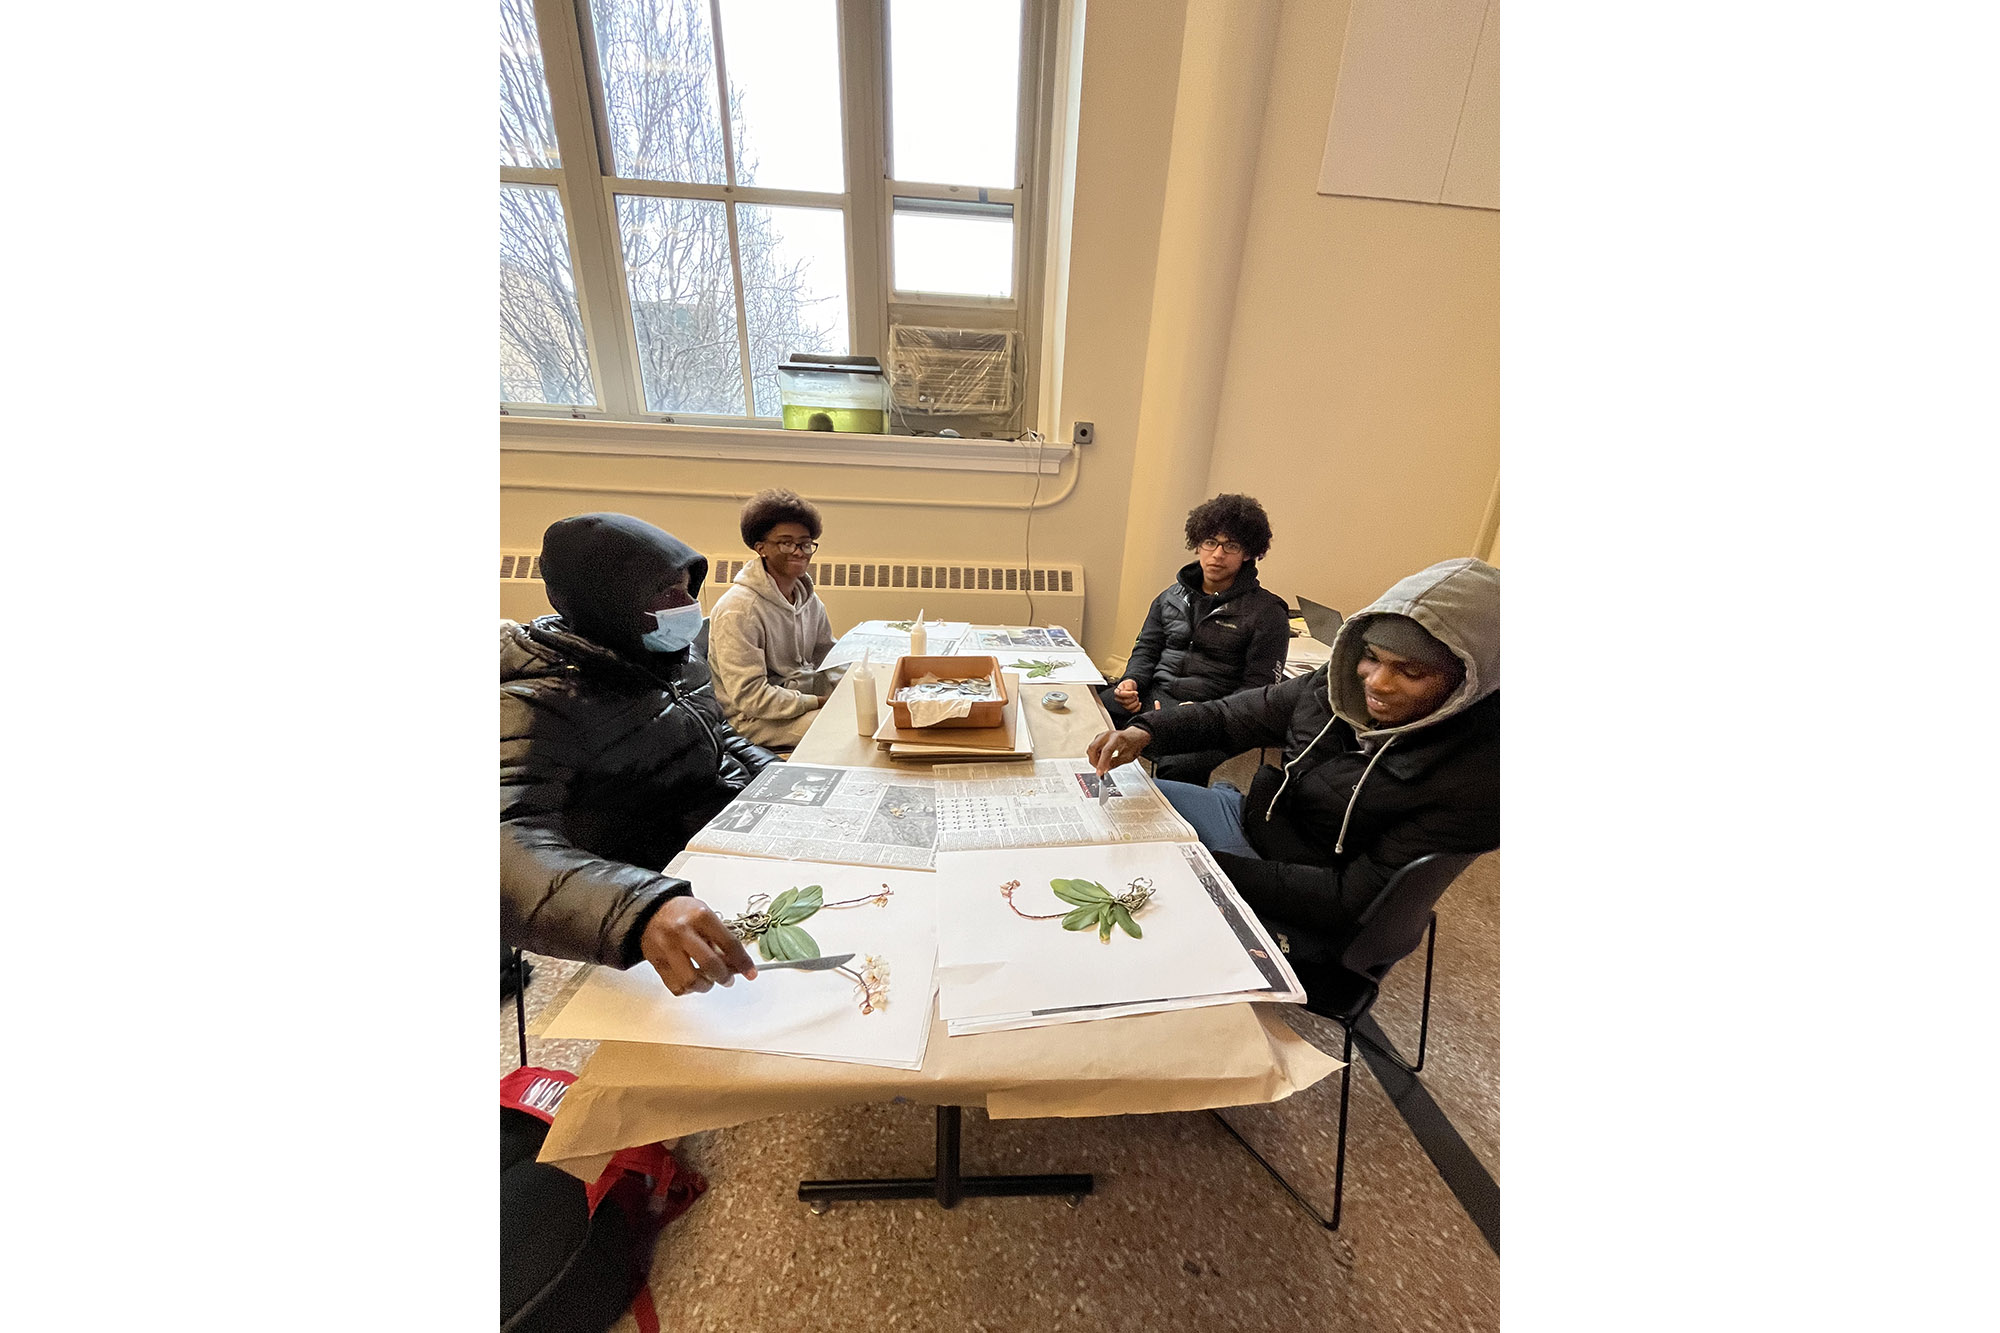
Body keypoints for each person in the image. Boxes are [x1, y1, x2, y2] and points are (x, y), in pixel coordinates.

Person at [1087, 557, 1498, 968]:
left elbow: (1344, 900)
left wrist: (1198, 864)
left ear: (1466, 679)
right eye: (1372, 656)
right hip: (1265, 821)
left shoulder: (1477, 779)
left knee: (1135, 913)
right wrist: (1147, 731)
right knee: (1114, 805)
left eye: (1409, 671)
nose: (1376, 682)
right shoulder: (1334, 686)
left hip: (1310, 893)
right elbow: (1233, 715)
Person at [502, 512, 772, 997]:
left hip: (709, 850)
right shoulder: (535, 699)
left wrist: (778, 779)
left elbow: (715, 733)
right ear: (610, 603)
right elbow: (505, 844)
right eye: (666, 593)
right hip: (640, 890)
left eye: (689, 589)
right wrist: (639, 906)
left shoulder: (668, 655)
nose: (686, 607)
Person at [1100, 493, 1292, 783]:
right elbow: (1146, 650)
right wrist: (1132, 682)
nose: (1217, 554)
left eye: (1231, 546)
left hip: (1215, 713)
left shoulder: (1268, 613)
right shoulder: (1169, 597)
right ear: (1198, 543)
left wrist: (1202, 714)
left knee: (1178, 767)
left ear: (1248, 552)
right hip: (1156, 696)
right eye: (1210, 542)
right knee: (1086, 714)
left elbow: (1259, 692)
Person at [707, 487, 839, 750]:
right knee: (842, 731)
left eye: (805, 543)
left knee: (868, 714)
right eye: (786, 542)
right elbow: (751, 697)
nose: (799, 552)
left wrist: (859, 685)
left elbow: (830, 659)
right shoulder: (739, 610)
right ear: (761, 548)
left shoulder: (810, 600)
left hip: (799, 705)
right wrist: (818, 702)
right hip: (752, 721)